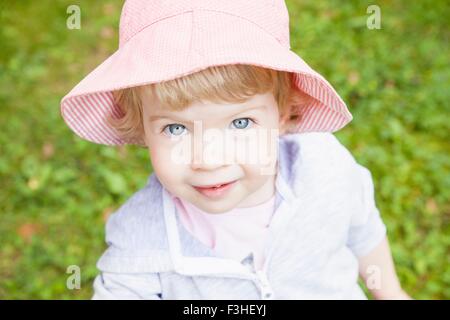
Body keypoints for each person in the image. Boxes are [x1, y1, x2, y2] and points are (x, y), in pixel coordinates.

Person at [60, 0, 411, 300]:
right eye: (176, 128)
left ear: (285, 111)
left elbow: (362, 228)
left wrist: (391, 293)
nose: (209, 159)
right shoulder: (141, 237)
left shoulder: (324, 167)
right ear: (140, 127)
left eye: (240, 123)